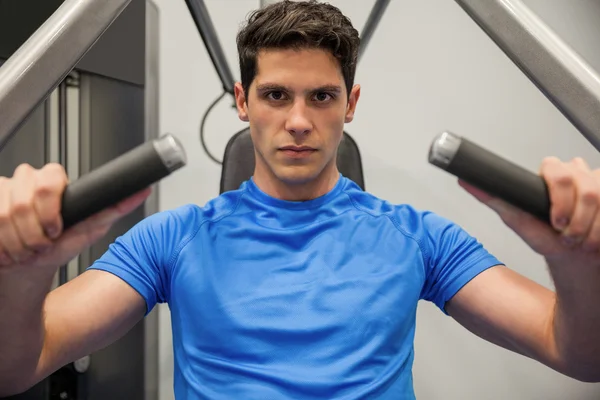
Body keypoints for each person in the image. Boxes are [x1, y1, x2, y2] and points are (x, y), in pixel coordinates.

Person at [1, 1, 600, 398]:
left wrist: (575, 264)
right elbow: (16, 369)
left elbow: (577, 355)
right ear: (243, 101)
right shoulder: (173, 238)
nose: (297, 121)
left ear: (351, 103)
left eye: (320, 97)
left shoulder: (419, 237)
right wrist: (26, 275)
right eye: (276, 94)